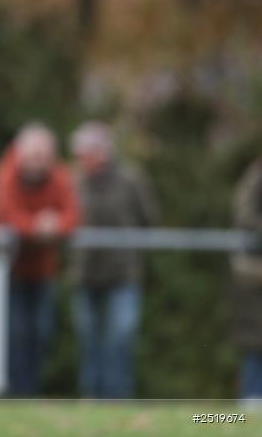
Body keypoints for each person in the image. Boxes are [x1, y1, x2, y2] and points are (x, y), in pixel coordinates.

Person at [68, 121, 158, 398]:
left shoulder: (132, 179)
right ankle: (91, 395)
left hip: (123, 273)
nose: (80, 159)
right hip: (85, 273)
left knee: (121, 337)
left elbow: (149, 218)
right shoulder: (72, 180)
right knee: (88, 339)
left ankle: (118, 396)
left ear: (102, 152)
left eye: (85, 153)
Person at [0, 123, 80, 396]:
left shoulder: (61, 176)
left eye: (43, 156)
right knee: (15, 335)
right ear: (20, 153)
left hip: (44, 271)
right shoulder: (5, 174)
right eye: (33, 155)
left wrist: (54, 225)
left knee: (42, 334)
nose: (37, 162)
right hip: (10, 269)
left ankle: (32, 391)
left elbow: (73, 217)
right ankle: (16, 393)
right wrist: (39, 226)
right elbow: (5, 215)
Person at [230, 155, 262, 400]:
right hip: (254, 270)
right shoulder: (253, 180)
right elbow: (244, 217)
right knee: (255, 341)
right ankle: (252, 397)